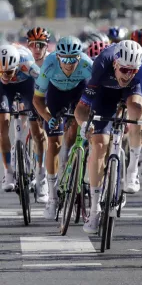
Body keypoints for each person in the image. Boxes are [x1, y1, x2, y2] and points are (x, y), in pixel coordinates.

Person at [75, 40, 142, 233]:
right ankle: (95, 209)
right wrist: (84, 125)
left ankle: (132, 170)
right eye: (124, 70)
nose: (128, 75)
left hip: (131, 94)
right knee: (99, 145)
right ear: (115, 64)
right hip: (105, 93)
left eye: (133, 71)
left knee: (137, 110)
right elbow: (82, 107)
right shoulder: (102, 62)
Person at [33, 36, 93, 219]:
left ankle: (74, 163)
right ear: (58, 57)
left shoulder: (86, 64)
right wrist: (48, 117)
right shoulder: (50, 64)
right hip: (56, 95)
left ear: (79, 56)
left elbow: (96, 95)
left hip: (78, 92)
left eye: (73, 59)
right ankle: (52, 197)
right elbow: (37, 99)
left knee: (79, 130)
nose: (68, 63)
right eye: (64, 59)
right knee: (53, 144)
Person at [0, 45, 46, 199]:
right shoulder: (3, 75)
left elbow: (43, 84)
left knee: (38, 132)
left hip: (27, 85)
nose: (5, 76)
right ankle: (9, 173)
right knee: (2, 126)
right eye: (1, 72)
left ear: (17, 67)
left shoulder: (27, 64)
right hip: (4, 90)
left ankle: (41, 175)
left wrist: (42, 109)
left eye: (8, 72)